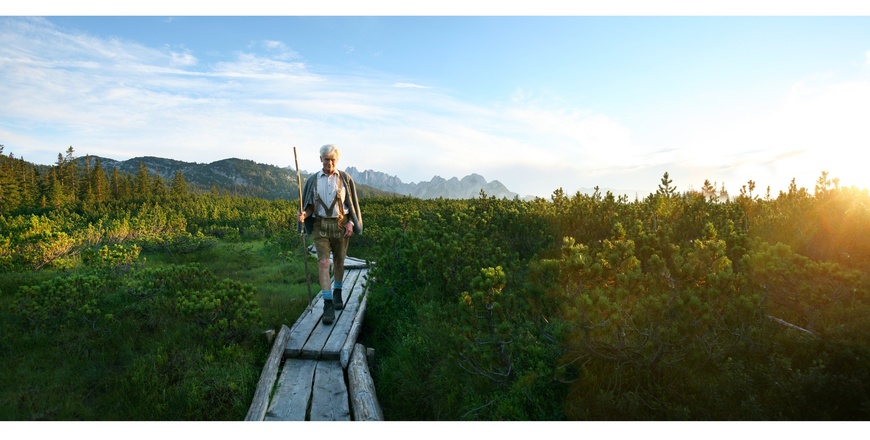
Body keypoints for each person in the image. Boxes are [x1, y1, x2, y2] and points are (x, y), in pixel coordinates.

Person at [297, 144, 363, 325]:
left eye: (332, 159)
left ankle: (338, 292)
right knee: (324, 262)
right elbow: (309, 206)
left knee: (340, 262)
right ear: (321, 160)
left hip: (341, 225)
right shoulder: (313, 180)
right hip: (320, 225)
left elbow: (352, 204)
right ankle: (327, 304)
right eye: (326, 159)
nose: (329, 163)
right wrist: (304, 214)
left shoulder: (345, 179)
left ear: (337, 160)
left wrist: (351, 223)